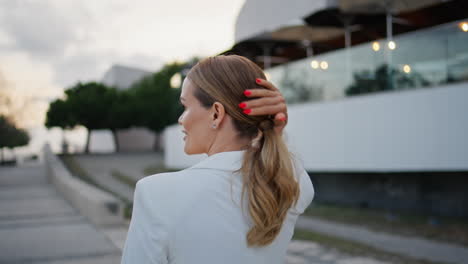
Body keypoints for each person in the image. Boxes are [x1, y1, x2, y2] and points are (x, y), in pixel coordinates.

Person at [121, 55, 314, 264]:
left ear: (216, 114)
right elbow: (278, 160)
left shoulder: (155, 194)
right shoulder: (291, 184)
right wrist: (273, 132)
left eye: (185, 106)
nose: (180, 119)